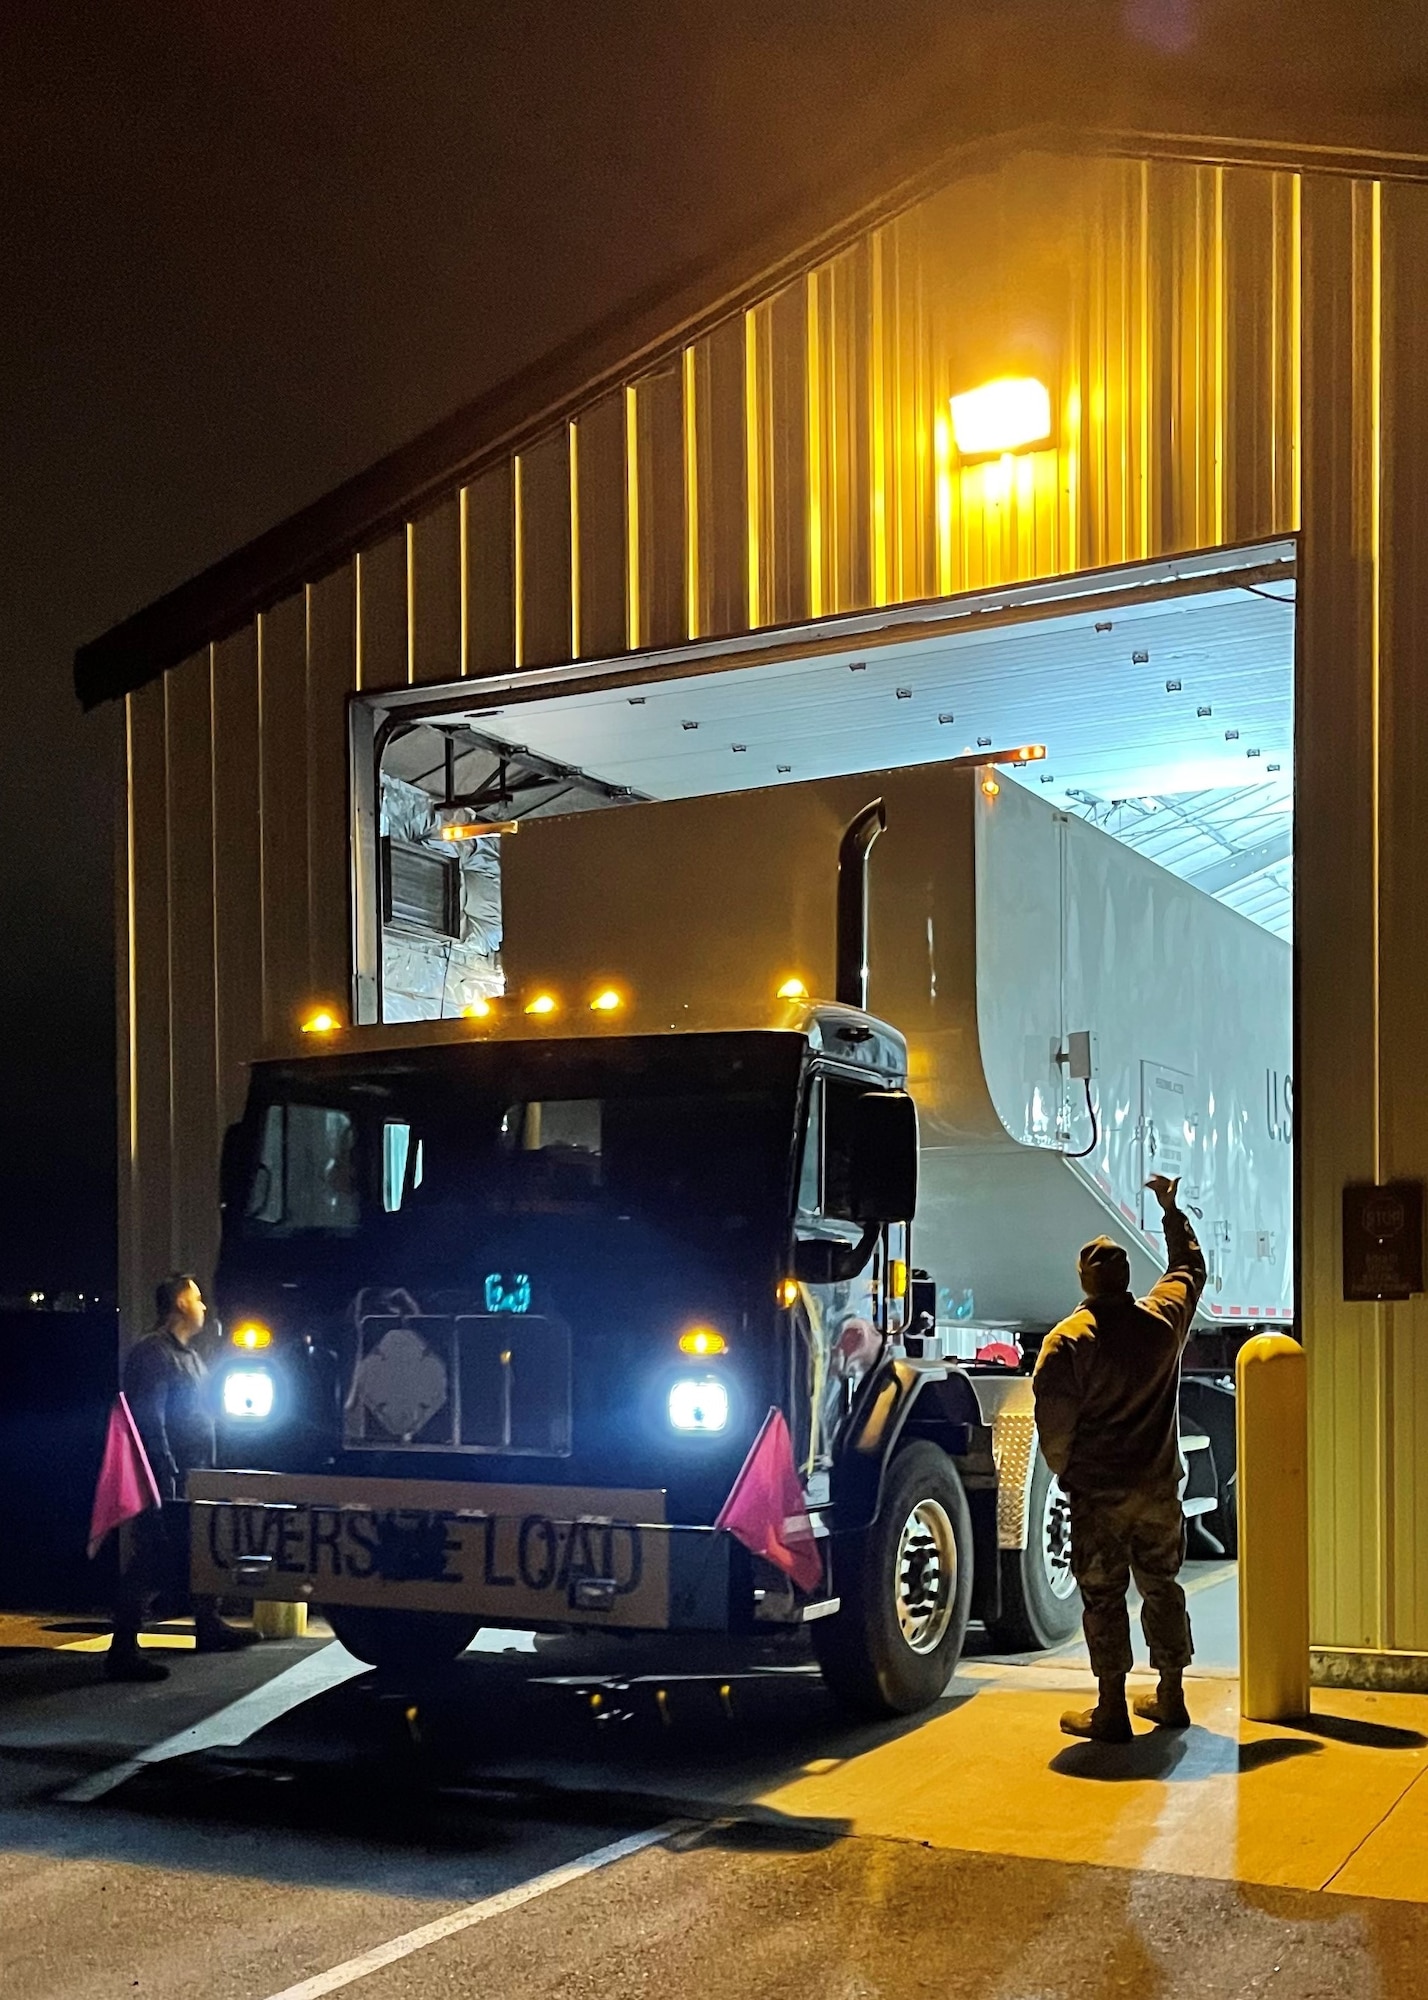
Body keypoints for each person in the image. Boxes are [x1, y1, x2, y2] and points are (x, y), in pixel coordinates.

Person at [1032, 1174, 1207, 1744]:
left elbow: (1055, 1431)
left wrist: (1068, 1473)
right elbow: (1188, 1272)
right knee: (1163, 1586)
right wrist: (1170, 1211)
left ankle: (1111, 1708)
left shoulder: (1067, 1342)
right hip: (1157, 1490)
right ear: (1128, 1279)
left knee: (1103, 1596)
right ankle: (1172, 1695)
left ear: (1084, 1281)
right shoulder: (1161, 1324)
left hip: (1101, 1497)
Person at [106, 1272, 258, 1682]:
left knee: (204, 1546)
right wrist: (164, 1472)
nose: (204, 1306)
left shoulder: (190, 1356)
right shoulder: (153, 1353)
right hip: (168, 1477)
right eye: (197, 1298)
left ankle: (208, 1625)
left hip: (198, 1474)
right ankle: (122, 1649)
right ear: (178, 1304)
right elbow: (149, 1420)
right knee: (152, 1555)